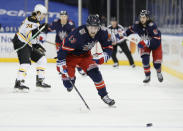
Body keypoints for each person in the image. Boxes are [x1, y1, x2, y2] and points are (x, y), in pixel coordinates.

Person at [56, 14, 115, 106]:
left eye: (95, 28)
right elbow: (63, 49)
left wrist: (104, 56)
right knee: (68, 84)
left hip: (85, 56)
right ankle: (71, 80)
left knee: (96, 73)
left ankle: (104, 96)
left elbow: (108, 47)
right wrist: (60, 62)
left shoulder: (102, 32)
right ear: (87, 26)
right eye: (91, 27)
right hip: (70, 57)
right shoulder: (77, 34)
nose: (93, 30)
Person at [12, 4, 51, 91]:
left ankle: (40, 81)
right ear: (38, 13)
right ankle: (18, 83)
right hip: (21, 43)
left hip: (27, 44)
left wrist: (38, 45)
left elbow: (32, 38)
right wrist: (41, 29)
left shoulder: (35, 22)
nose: (44, 16)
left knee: (42, 59)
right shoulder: (31, 20)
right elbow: (31, 36)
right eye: (43, 14)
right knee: (25, 63)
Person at [126, 10, 163, 83]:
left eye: (144, 17)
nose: (142, 19)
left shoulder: (152, 26)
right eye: (141, 17)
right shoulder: (137, 25)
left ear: (148, 18)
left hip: (155, 44)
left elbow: (157, 39)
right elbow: (130, 30)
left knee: (157, 63)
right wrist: (123, 34)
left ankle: (158, 72)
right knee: (145, 60)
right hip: (145, 44)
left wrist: (145, 42)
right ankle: (147, 76)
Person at [48, 10, 86, 75]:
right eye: (62, 16)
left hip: (68, 43)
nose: (63, 17)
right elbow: (48, 29)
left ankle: (79, 68)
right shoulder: (56, 22)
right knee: (61, 57)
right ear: (60, 16)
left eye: (64, 16)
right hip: (58, 43)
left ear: (67, 17)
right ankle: (62, 69)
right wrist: (42, 35)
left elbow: (73, 35)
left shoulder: (70, 24)